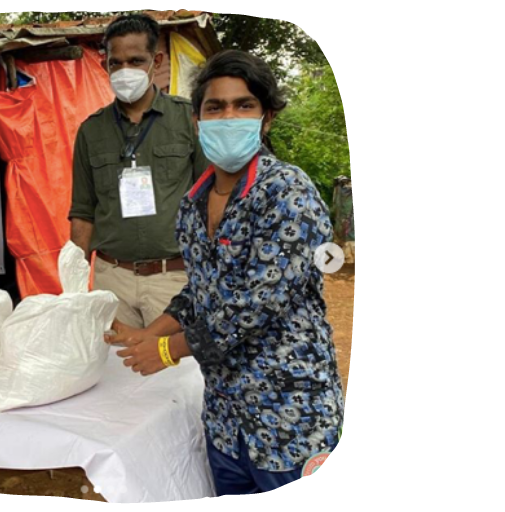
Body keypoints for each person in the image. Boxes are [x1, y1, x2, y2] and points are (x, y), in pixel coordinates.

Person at [105, 50, 345, 495]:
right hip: (226, 422)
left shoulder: (288, 193)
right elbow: (201, 290)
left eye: (244, 105)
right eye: (215, 107)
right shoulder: (194, 204)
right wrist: (150, 333)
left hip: (290, 419)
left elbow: (255, 306)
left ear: (266, 118)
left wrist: (168, 348)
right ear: (197, 121)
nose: (228, 117)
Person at [69, 13, 209, 329]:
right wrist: (76, 285)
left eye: (135, 60)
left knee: (175, 372)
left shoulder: (188, 120)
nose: (124, 71)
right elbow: (82, 213)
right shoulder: (91, 132)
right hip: (111, 278)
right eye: (115, 63)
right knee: (117, 372)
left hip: (173, 278)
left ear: (155, 61)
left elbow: (211, 198)